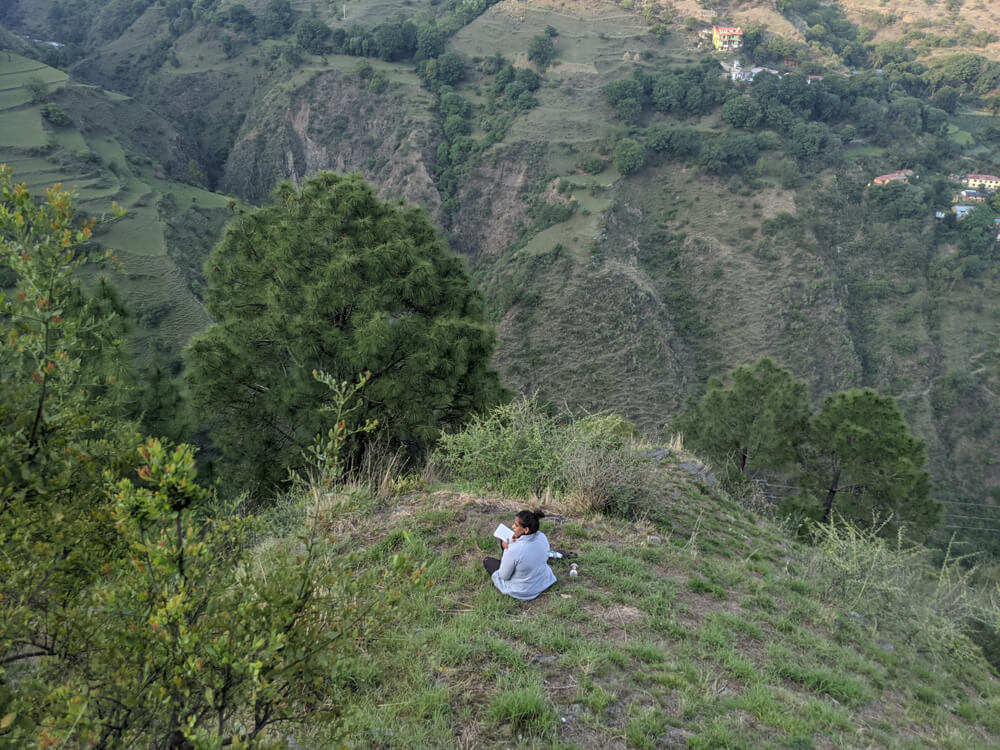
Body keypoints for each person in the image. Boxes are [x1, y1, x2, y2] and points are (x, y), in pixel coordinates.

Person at [483, 510, 557, 601]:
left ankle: (506, 563)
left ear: (526, 530)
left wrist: (506, 549)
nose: (512, 527)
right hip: (543, 580)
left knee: (487, 561)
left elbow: (504, 576)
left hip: (524, 590)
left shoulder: (513, 549)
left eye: (516, 525)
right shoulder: (542, 537)